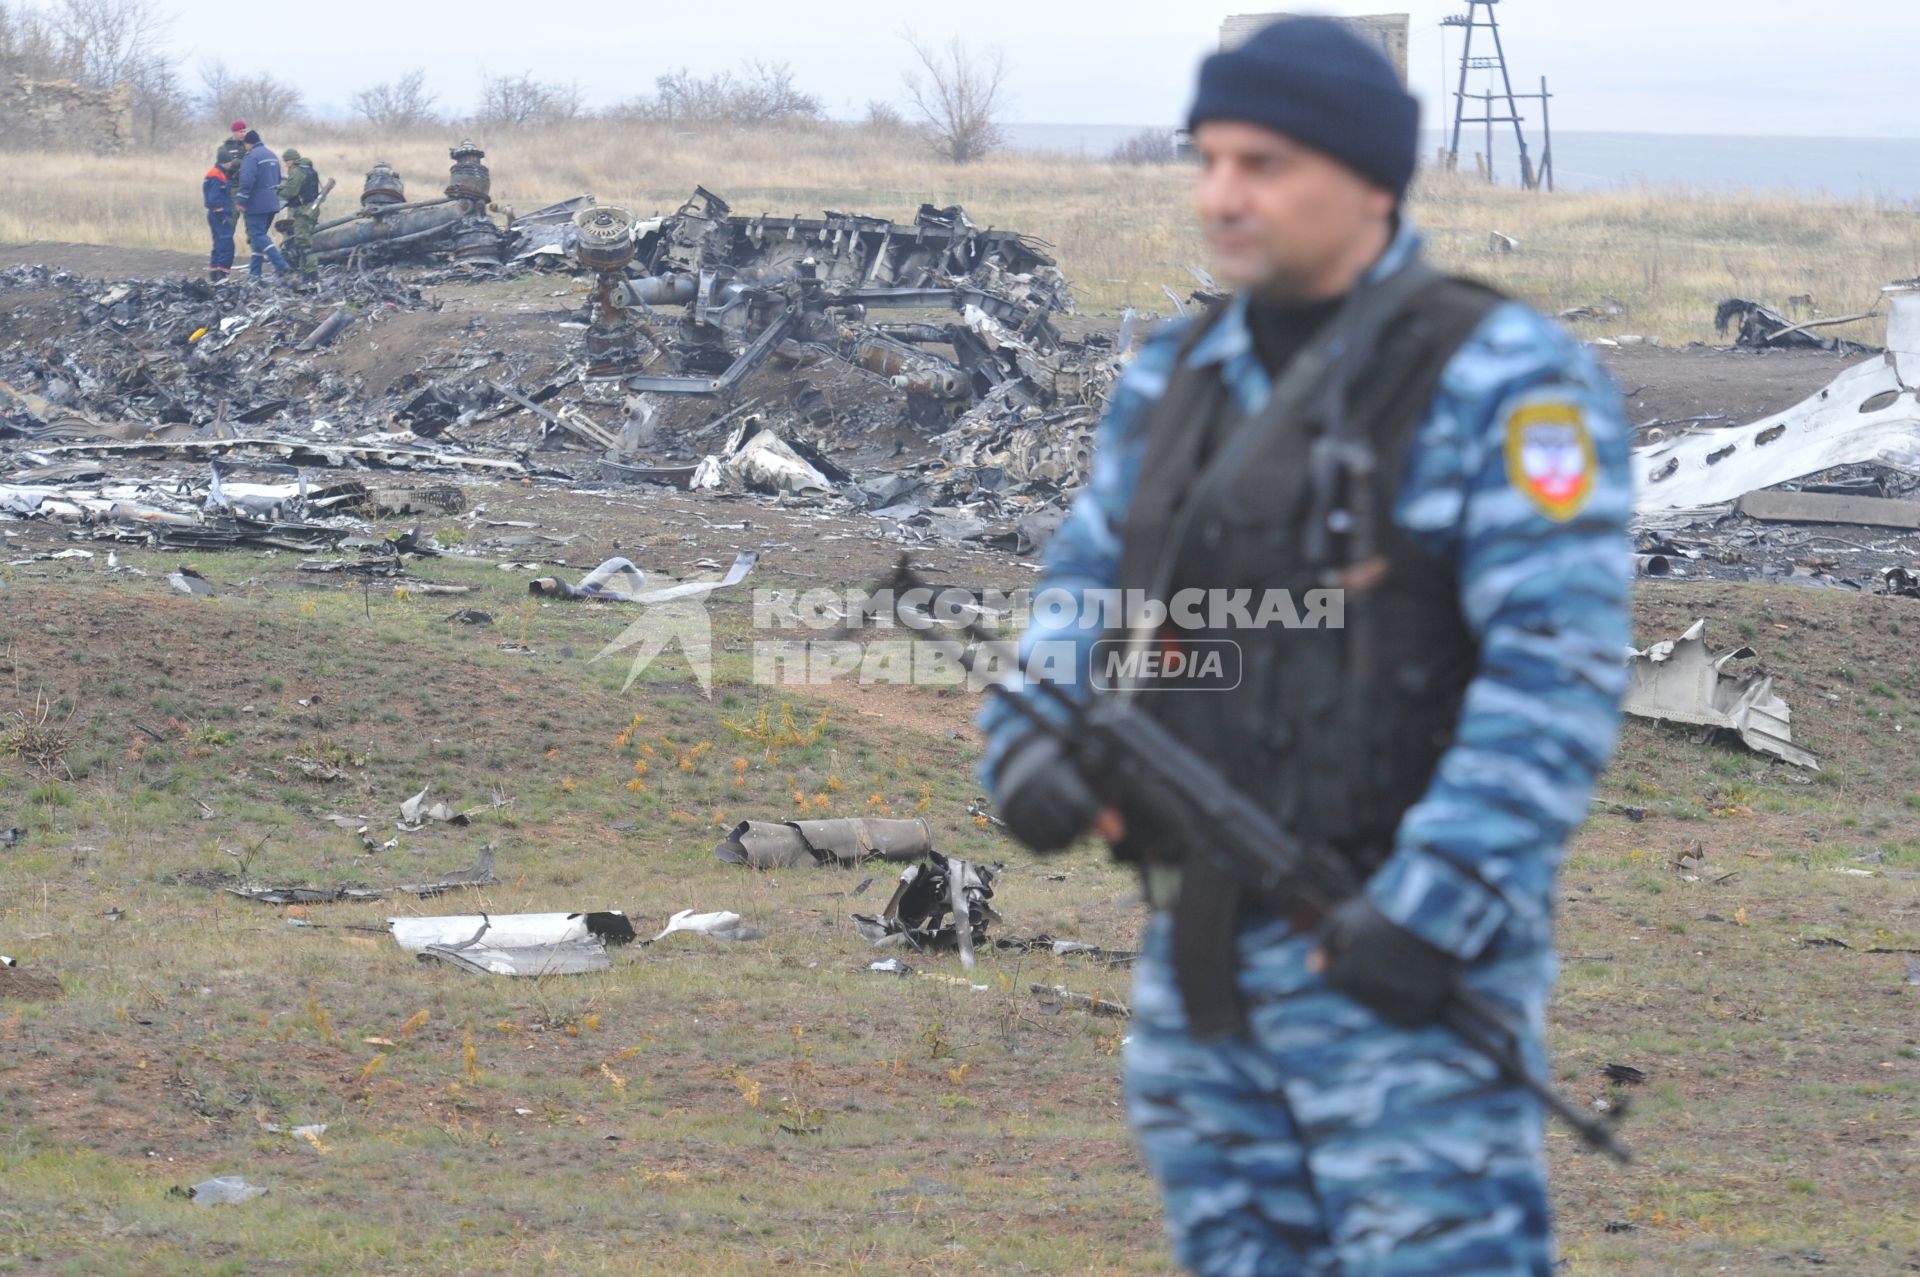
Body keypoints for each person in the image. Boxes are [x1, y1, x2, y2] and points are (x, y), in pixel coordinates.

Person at [978, 17, 1631, 1277]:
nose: (1222, 194)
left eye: (1264, 162)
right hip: (1198, 960)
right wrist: (1028, 743)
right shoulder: (1177, 376)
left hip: (1393, 962)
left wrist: (1430, 916)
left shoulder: (1502, 379)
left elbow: (1553, 679)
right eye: (1210, 158)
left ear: (1369, 177)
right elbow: (1081, 595)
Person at [232, 128, 291, 281]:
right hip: (272, 203)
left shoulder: (251, 157)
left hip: (256, 204)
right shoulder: (271, 155)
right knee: (259, 238)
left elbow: (247, 180)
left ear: (248, 144)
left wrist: (241, 201)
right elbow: (278, 180)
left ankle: (281, 264)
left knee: (257, 235)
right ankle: (255, 274)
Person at [275, 147, 322, 281]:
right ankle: (306, 272)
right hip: (312, 209)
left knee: (303, 243)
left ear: (290, 160)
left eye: (286, 161)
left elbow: (292, 192)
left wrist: (278, 194)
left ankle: (311, 275)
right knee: (304, 240)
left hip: (303, 211)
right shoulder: (309, 169)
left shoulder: (296, 171)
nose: (285, 164)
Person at [202, 152, 238, 284]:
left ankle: (215, 273)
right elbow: (213, 198)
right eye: (230, 161)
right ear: (225, 162)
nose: (231, 164)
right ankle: (222, 274)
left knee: (218, 244)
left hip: (215, 215)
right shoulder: (216, 176)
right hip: (219, 215)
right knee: (227, 244)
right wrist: (221, 214)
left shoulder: (217, 173)